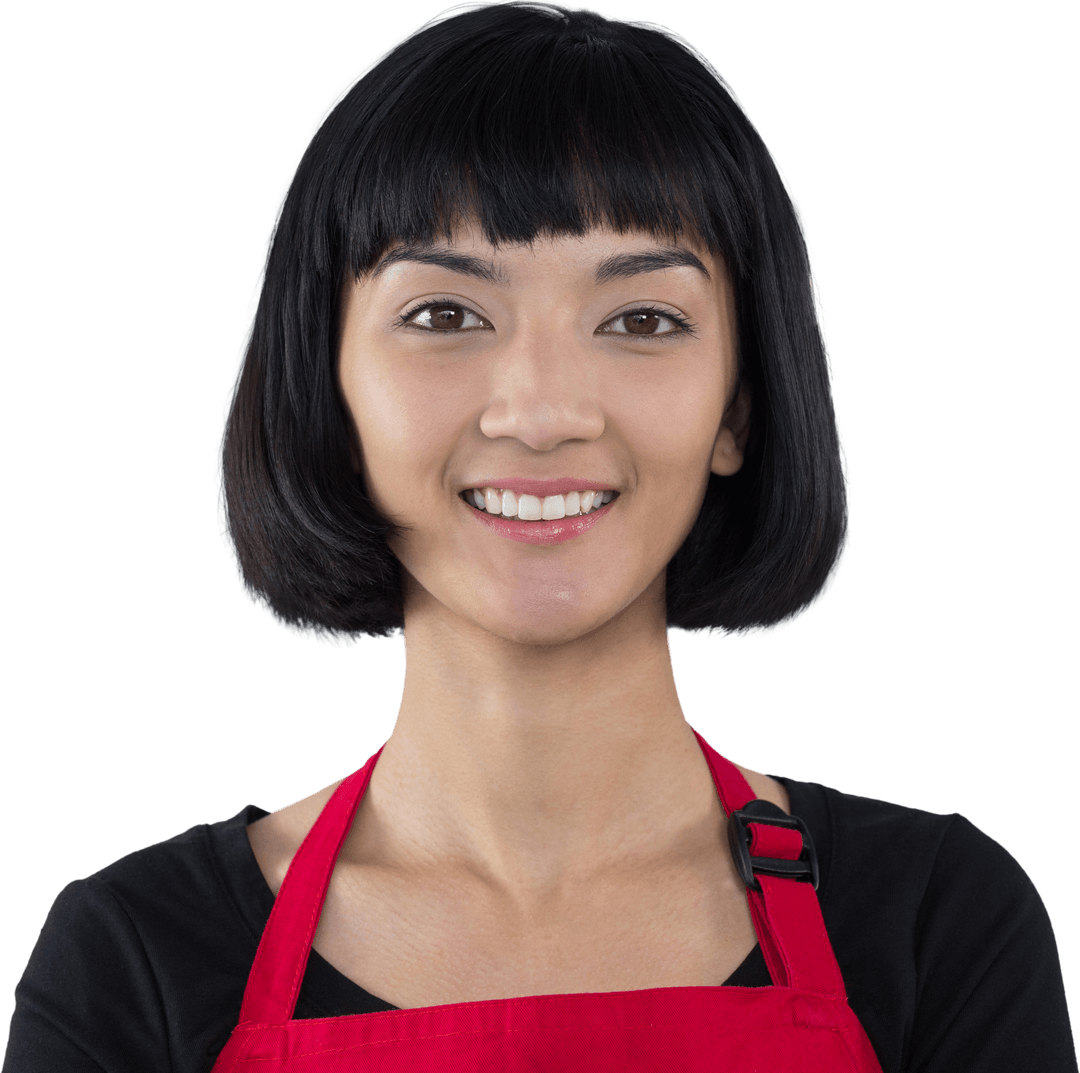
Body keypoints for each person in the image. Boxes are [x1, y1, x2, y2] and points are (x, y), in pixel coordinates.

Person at [3, 2, 1075, 1070]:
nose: (542, 411)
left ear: (739, 410)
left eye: (642, 320)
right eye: (445, 315)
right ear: (329, 390)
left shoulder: (937, 919)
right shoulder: (135, 956)